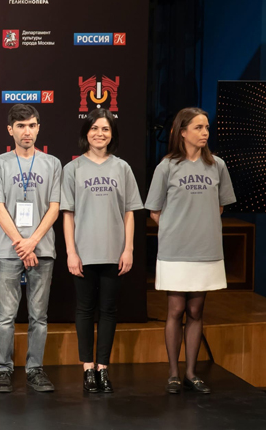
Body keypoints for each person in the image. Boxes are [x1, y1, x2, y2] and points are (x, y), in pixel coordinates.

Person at [145, 107, 235, 395]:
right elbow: (154, 211)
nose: (205, 132)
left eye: (206, 127)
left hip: (206, 249)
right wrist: (176, 229)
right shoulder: (167, 167)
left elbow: (219, 206)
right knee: (176, 309)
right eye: (198, 127)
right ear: (182, 132)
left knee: (196, 310)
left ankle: (191, 373)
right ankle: (173, 373)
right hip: (175, 250)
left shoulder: (217, 165)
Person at [61, 108, 142, 394]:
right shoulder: (72, 169)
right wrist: (71, 252)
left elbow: (130, 212)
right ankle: (87, 368)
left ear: (112, 134)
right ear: (86, 133)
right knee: (84, 310)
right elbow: (67, 214)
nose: (99, 133)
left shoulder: (122, 168)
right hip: (83, 252)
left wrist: (128, 249)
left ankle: (103, 368)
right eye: (94, 128)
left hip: (114, 252)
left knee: (108, 310)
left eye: (105, 129)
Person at [0, 104, 61, 393]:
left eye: (31, 125)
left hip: (42, 250)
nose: (26, 131)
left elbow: (54, 208)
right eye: (20, 126)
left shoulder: (52, 163)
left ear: (38, 128)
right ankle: (3, 369)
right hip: (9, 250)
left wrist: (32, 242)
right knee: (6, 315)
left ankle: (35, 369)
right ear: (11, 130)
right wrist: (22, 243)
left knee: (38, 316)